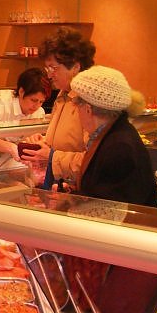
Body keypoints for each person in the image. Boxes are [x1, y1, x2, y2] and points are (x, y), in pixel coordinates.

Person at [70, 65, 157, 207]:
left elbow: (107, 207)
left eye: (77, 108)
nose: (76, 114)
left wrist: (70, 202)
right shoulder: (114, 134)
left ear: (87, 110)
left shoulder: (119, 147)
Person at [21, 26, 96, 191]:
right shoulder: (62, 97)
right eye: (47, 68)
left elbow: (93, 161)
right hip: (58, 185)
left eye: (53, 68)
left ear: (75, 67)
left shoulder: (87, 103)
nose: (49, 75)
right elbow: (66, 142)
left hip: (78, 190)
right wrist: (44, 142)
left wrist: (51, 156)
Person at [0, 67, 51, 159]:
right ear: (21, 91)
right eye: (33, 100)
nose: (37, 106)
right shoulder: (0, 101)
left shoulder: (39, 113)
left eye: (41, 102)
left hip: (3, 157)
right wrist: (11, 148)